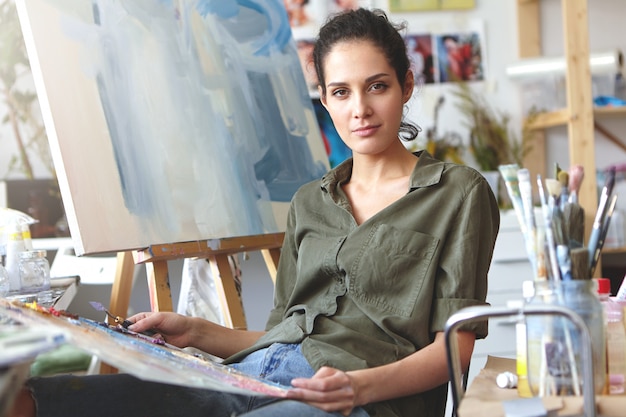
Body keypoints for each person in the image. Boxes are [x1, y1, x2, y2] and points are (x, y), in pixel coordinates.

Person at [10, 8, 499, 417]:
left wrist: (359, 388)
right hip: (256, 375)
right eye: (342, 92)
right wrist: (196, 332)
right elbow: (283, 331)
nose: (360, 110)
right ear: (325, 100)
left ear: (406, 85)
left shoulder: (458, 193)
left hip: (356, 402)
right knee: (49, 402)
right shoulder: (310, 201)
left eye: (377, 86)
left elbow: (454, 351)